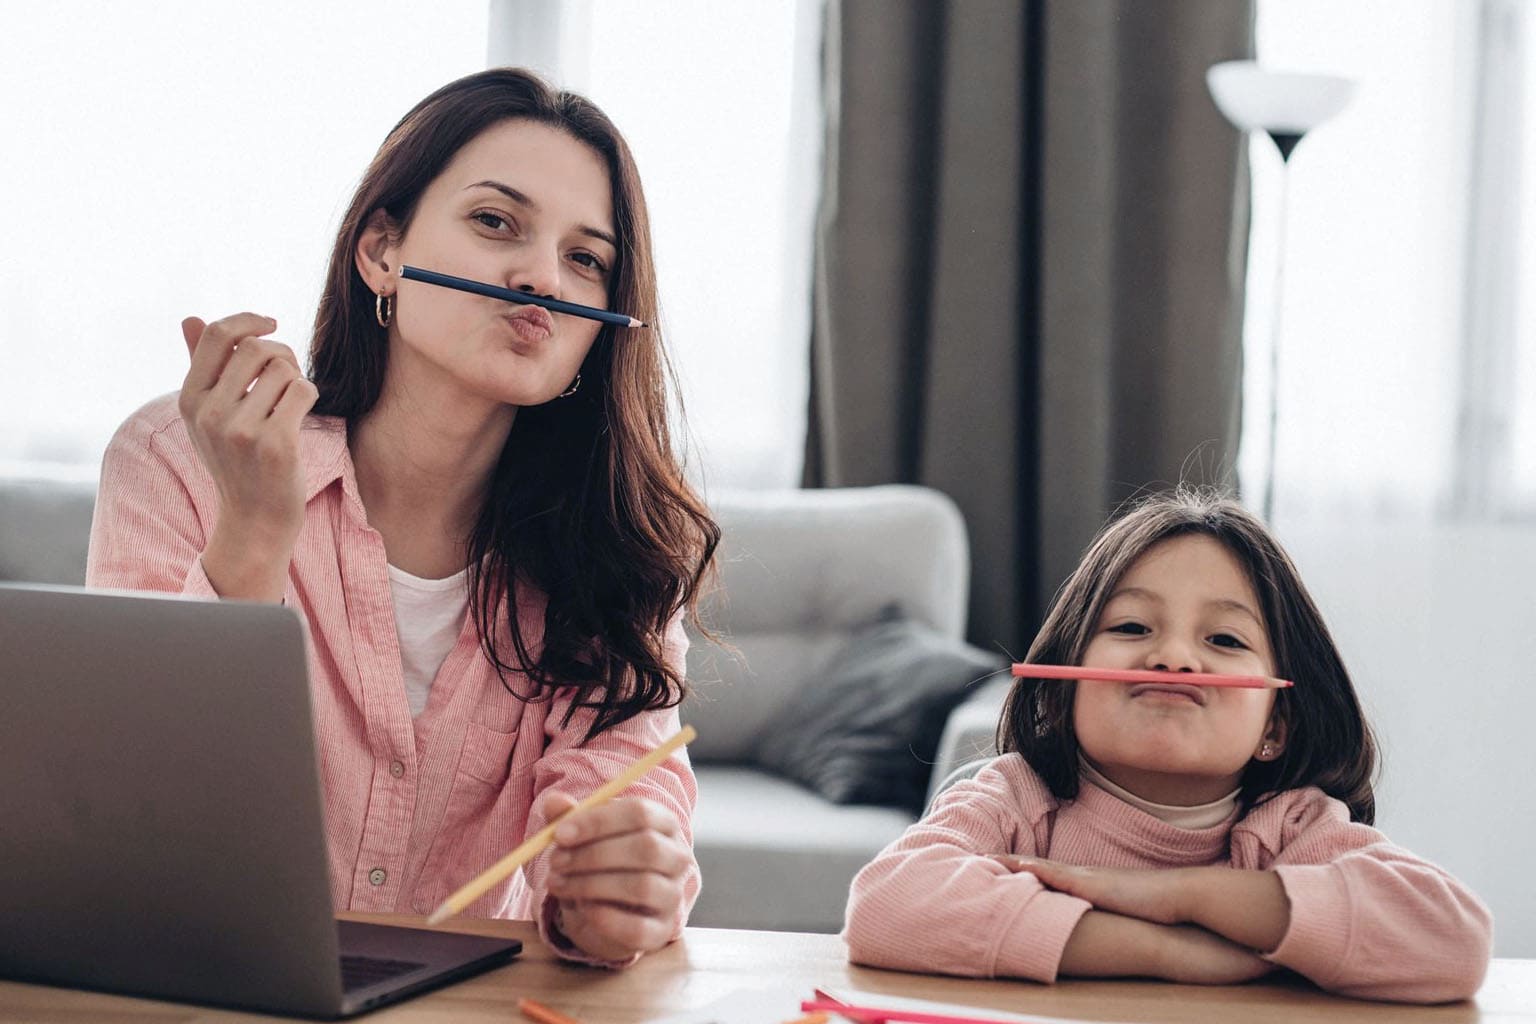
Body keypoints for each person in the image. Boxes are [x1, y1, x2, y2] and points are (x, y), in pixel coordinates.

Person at [86, 67, 719, 967]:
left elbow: (624, 839)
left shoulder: (624, 554)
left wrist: (615, 900)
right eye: (496, 222)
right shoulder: (178, 459)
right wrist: (255, 537)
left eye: (587, 260)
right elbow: (123, 817)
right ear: (383, 251)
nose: (541, 276)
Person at [843, 488, 1492, 1002]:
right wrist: (1166, 952)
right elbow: (886, 903)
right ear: (1058, 697)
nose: (1175, 657)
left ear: (1275, 727)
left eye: (1225, 640)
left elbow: (1453, 938)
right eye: (1131, 625)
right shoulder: (1017, 796)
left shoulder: (1290, 825)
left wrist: (1179, 895)